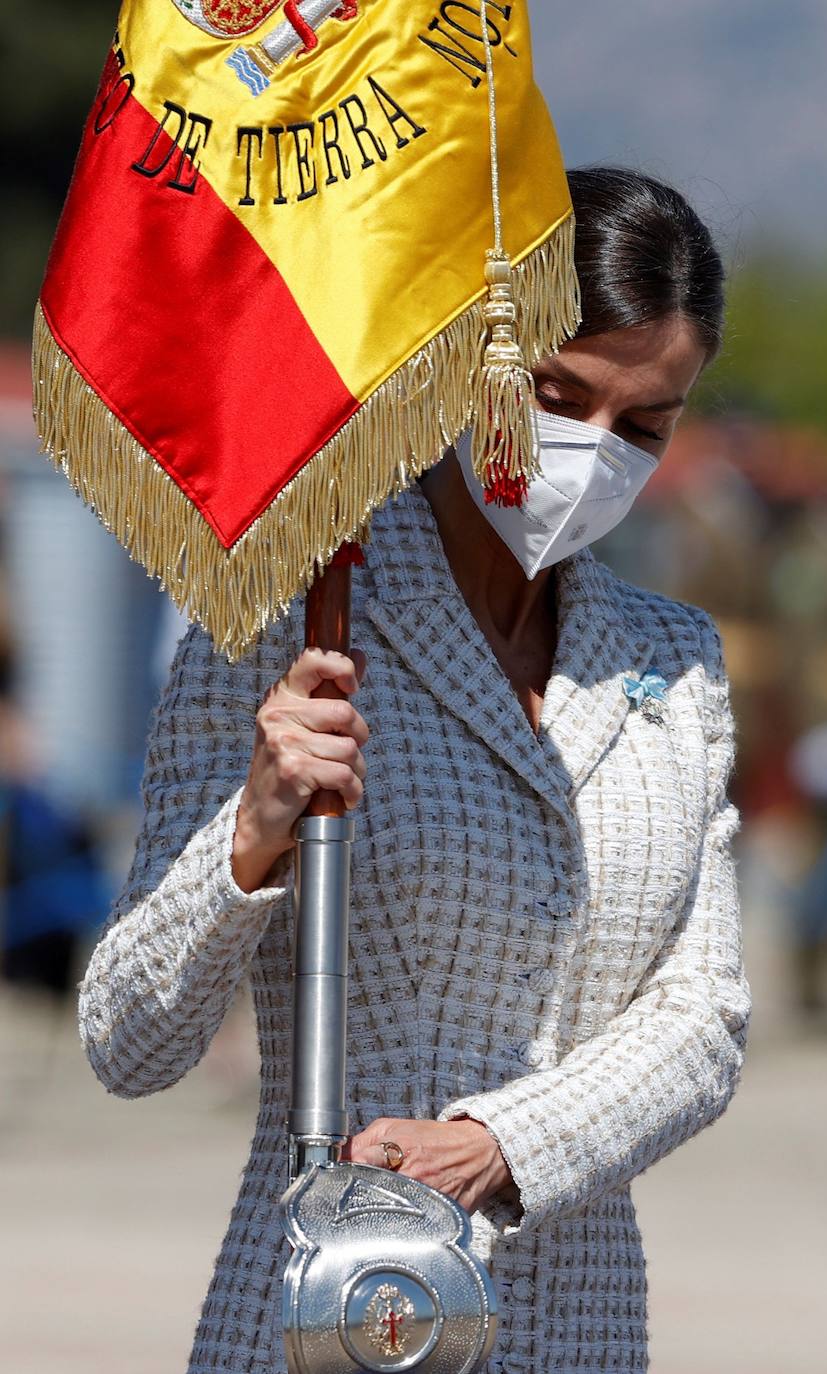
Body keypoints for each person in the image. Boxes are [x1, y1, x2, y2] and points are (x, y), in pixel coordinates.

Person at [78, 166, 751, 1374]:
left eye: (642, 425)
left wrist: (500, 1141)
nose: (591, 452)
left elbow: (702, 1024)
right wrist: (254, 827)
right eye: (556, 397)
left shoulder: (673, 661)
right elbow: (130, 1039)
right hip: (330, 1313)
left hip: (580, 1328)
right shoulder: (291, 615)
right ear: (468, 362)